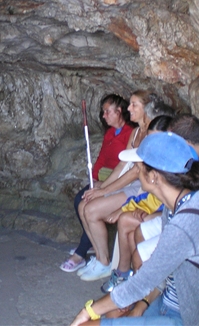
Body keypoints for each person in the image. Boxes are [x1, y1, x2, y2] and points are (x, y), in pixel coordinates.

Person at [69, 132, 199, 326]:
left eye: (139, 169)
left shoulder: (186, 223)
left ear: (154, 177)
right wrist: (142, 305)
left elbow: (142, 282)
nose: (137, 174)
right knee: (114, 313)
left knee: (86, 323)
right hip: (168, 300)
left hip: (188, 317)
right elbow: (160, 273)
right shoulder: (179, 206)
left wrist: (88, 310)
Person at [75, 90, 153, 281]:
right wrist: (99, 189)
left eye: (134, 105)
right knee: (84, 204)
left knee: (92, 210)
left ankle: (104, 262)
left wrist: (105, 190)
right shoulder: (135, 133)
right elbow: (122, 166)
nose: (129, 108)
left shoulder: (151, 134)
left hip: (140, 187)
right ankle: (101, 259)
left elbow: (136, 171)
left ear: (146, 109)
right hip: (129, 182)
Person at [60, 94, 134, 272]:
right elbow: (101, 159)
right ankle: (94, 244)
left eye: (107, 112)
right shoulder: (110, 133)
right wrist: (93, 179)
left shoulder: (130, 133)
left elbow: (124, 167)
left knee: (88, 206)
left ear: (119, 111)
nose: (104, 116)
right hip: (103, 178)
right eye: (103, 112)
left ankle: (82, 251)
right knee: (80, 199)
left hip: (117, 181)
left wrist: (103, 187)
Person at [101, 115, 173, 293]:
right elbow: (150, 199)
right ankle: (125, 274)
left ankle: (140, 285)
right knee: (126, 219)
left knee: (133, 227)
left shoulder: (168, 170)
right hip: (166, 215)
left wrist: (155, 214)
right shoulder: (159, 170)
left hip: (172, 221)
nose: (137, 173)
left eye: (138, 170)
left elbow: (173, 203)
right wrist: (125, 208)